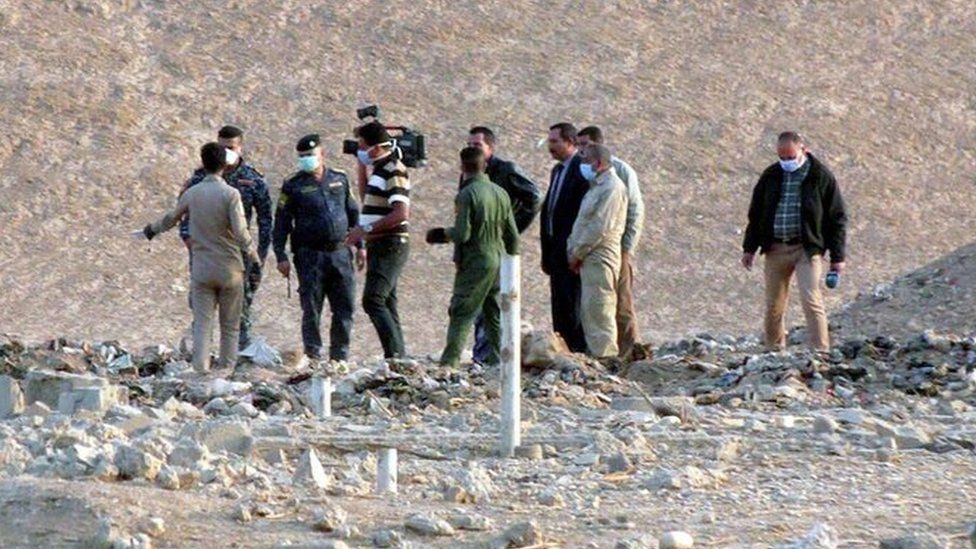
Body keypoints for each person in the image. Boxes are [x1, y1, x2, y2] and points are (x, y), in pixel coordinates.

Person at [140, 142, 259, 371]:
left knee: (203, 324)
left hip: (202, 268)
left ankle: (200, 369)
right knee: (230, 326)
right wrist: (252, 254)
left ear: (203, 164)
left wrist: (150, 230)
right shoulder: (231, 194)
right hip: (230, 268)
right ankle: (225, 369)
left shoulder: (192, 194)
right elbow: (241, 232)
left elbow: (170, 219)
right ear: (224, 165)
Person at [742, 131, 848, 351]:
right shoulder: (771, 175)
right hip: (776, 247)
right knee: (774, 304)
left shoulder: (820, 176)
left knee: (811, 299)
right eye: (782, 158)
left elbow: (837, 217)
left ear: (803, 150)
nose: (787, 162)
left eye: (791, 157)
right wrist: (749, 248)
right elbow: (756, 213)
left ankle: (820, 351)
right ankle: (773, 350)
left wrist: (838, 257)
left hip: (807, 249)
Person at [179, 125, 273, 349]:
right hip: (206, 251)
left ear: (240, 148)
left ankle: (239, 356)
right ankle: (201, 357)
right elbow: (183, 213)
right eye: (221, 148)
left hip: (238, 254)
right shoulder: (200, 178)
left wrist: (258, 255)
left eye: (230, 148)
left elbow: (266, 220)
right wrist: (189, 240)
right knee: (202, 307)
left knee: (241, 309)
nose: (225, 153)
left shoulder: (253, 180)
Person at [427, 147, 520, 368]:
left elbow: (462, 234)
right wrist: (511, 266)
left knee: (462, 310)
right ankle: (501, 359)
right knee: (493, 311)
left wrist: (441, 234)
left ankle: (449, 363)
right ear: (484, 165)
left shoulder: (467, 195)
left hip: (476, 260)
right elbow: (513, 236)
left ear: (462, 167)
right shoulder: (500, 193)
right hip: (498, 260)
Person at [273, 134, 362, 361]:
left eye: (310, 155)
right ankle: (313, 354)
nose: (306, 160)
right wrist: (280, 255)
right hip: (309, 254)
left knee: (345, 306)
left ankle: (339, 355)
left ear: (322, 154)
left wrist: (361, 246)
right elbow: (281, 222)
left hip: (340, 252)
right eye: (302, 156)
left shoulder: (339, 179)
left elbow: (353, 213)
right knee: (312, 307)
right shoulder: (293, 185)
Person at [466, 126, 541, 363]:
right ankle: (483, 353)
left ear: (490, 147)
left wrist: (512, 231)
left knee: (493, 300)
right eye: (469, 145)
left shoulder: (506, 171)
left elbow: (533, 197)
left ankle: (492, 355)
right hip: (476, 249)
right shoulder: (469, 172)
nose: (471, 149)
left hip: (497, 249)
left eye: (477, 145)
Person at [576, 126, 645, 360]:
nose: (580, 151)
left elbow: (633, 211)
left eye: (584, 145)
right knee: (597, 305)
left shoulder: (620, 175)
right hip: (592, 250)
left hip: (612, 248)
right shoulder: (592, 178)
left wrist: (627, 248)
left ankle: (628, 353)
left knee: (619, 304)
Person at [344, 121, 411, 359]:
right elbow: (368, 198)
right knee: (387, 302)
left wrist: (365, 229)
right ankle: (398, 357)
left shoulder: (394, 168)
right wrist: (361, 167)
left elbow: (401, 212)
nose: (359, 150)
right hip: (379, 244)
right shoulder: (380, 170)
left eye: (362, 146)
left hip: (390, 243)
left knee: (373, 300)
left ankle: (394, 355)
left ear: (374, 147)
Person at [567, 144, 628, 358]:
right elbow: (583, 223)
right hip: (588, 257)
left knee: (600, 310)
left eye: (586, 161)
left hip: (600, 257)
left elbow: (600, 226)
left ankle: (606, 358)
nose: (582, 166)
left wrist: (578, 253)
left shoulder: (612, 187)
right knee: (590, 311)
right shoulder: (596, 187)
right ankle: (597, 355)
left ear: (598, 163)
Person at [539, 122, 588, 352]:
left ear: (570, 143)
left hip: (573, 253)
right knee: (559, 306)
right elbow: (550, 211)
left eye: (555, 141)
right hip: (556, 252)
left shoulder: (582, 169)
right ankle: (563, 350)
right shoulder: (557, 171)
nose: (550, 146)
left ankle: (577, 352)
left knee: (573, 306)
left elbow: (582, 215)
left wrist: (577, 250)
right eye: (549, 141)